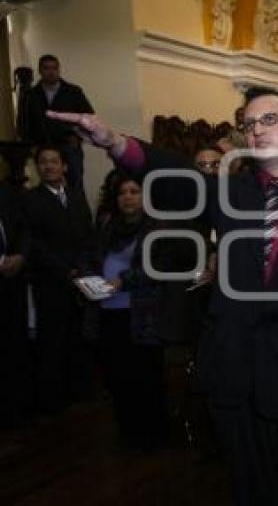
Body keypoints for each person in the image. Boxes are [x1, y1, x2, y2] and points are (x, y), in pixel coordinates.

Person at [48, 85, 278, 506]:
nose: (257, 131)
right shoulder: (231, 194)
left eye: (269, 119)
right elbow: (175, 177)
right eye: (249, 124)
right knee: (248, 490)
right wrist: (113, 141)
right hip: (234, 376)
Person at [82, 173, 170, 450]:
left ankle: (153, 438)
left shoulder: (158, 228)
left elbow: (159, 267)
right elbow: (90, 257)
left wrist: (123, 280)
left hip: (142, 316)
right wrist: (85, 277)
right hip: (108, 313)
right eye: (122, 193)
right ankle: (129, 435)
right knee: (117, 378)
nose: (128, 197)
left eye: (134, 191)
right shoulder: (107, 226)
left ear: (145, 197)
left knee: (146, 378)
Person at [23, 145, 94, 413]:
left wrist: (82, 266)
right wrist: (65, 268)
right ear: (37, 167)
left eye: (54, 162)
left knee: (79, 335)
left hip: (80, 280)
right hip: (50, 280)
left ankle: (80, 390)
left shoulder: (76, 196)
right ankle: (54, 399)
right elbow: (34, 242)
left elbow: (88, 233)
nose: (49, 166)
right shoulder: (29, 199)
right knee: (53, 339)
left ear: (64, 166)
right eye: (43, 162)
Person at [18, 55, 94, 189]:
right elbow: (23, 122)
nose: (51, 72)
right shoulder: (31, 95)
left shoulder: (72, 91)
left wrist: (77, 136)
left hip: (68, 145)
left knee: (75, 185)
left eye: (54, 68)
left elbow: (89, 118)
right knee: (46, 186)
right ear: (40, 71)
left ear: (59, 69)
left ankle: (77, 209)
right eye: (47, 68)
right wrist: (30, 145)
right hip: (42, 145)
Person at [0, 182, 31, 427]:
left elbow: (24, 229)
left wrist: (21, 255)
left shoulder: (7, 192)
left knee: (13, 346)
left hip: (12, 280)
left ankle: (14, 409)